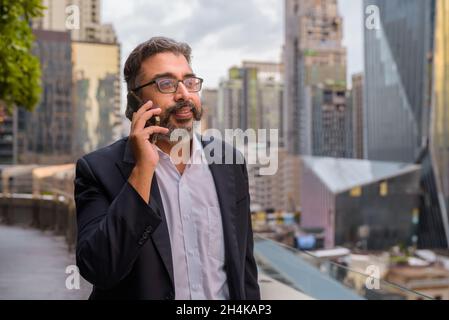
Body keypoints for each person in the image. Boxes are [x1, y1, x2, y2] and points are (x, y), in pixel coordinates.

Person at [74, 37, 260, 300]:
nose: (184, 94)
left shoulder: (229, 162)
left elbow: (244, 267)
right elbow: (99, 269)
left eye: (189, 81)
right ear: (137, 100)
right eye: (167, 83)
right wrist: (142, 171)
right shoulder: (97, 170)